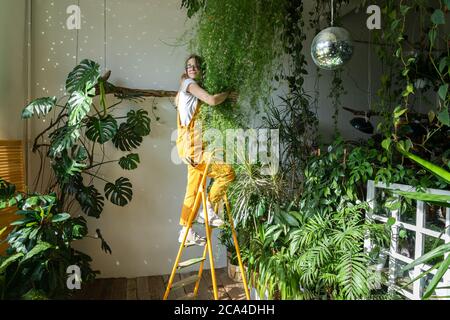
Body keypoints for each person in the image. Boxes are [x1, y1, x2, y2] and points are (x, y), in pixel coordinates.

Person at [175, 54, 237, 246]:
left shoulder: (188, 89)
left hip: (191, 148)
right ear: (185, 71)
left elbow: (180, 102)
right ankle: (208, 209)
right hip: (192, 149)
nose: (192, 68)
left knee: (193, 190)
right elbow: (211, 100)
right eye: (189, 66)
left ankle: (186, 232)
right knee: (227, 172)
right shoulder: (189, 85)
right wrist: (227, 93)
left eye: (195, 66)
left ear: (202, 70)